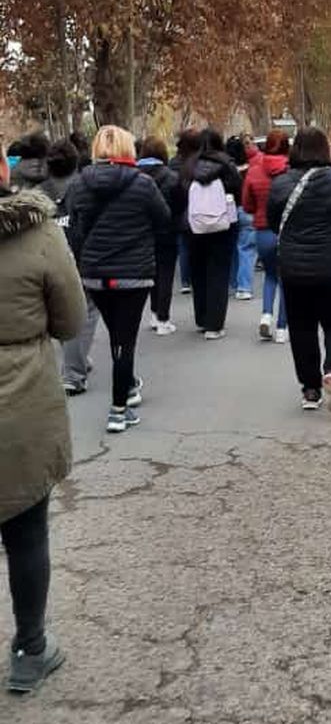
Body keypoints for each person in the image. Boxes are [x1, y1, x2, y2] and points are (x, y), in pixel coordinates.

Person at [0, 141, 86, 693]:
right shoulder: (36, 232)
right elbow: (71, 319)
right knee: (26, 531)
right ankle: (31, 646)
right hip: (19, 397)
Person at [68, 126, 170, 432]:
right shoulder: (143, 184)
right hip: (132, 273)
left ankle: (127, 387)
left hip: (96, 274)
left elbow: (75, 227)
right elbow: (164, 219)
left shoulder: (80, 184)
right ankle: (118, 409)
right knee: (125, 342)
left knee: (117, 338)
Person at [268, 128, 331, 413]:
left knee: (301, 327)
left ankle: (310, 389)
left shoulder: (281, 184)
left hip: (294, 267)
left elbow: (273, 222)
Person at [38, 139, 100, 396]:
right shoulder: (84, 187)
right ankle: (73, 373)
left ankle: (78, 360)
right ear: (76, 162)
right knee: (85, 312)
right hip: (80, 260)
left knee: (61, 312)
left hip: (44, 262)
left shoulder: (37, 193)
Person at [183, 128, 242, 340]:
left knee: (198, 271)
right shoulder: (227, 164)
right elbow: (238, 189)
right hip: (222, 225)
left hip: (194, 225)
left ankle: (202, 317)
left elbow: (180, 192)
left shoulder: (189, 165)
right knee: (218, 272)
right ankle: (215, 324)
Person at [242, 129, 290, 343]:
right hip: (287, 232)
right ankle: (282, 328)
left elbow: (247, 203)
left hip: (263, 230)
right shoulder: (290, 171)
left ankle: (266, 315)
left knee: (270, 276)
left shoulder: (254, 171)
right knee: (287, 280)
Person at [138, 137, 186, 336]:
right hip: (167, 231)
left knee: (152, 274)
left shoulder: (134, 175)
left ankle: (154, 312)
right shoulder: (172, 177)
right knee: (166, 274)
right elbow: (180, 203)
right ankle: (163, 319)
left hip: (142, 233)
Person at [170, 129, 201, 294]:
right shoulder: (200, 162)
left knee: (183, 245)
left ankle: (185, 281)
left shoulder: (174, 163)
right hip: (198, 208)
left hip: (181, 209)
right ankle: (197, 277)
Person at [226, 135, 257, 300]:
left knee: (231, 248)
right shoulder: (250, 170)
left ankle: (233, 282)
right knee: (246, 249)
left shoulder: (224, 171)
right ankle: (244, 287)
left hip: (228, 211)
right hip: (246, 210)